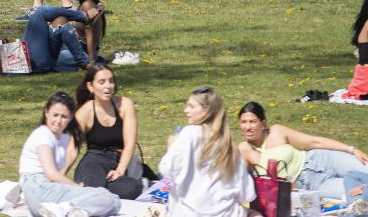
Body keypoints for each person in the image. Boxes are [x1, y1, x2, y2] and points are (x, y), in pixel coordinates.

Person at [237, 101, 368, 202]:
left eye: (252, 121)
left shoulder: (276, 131)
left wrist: (352, 149)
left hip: (319, 159)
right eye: (243, 122)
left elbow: (315, 141)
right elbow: (240, 183)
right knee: (359, 194)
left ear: (263, 122)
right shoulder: (244, 150)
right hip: (310, 184)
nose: (248, 127)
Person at [158, 87, 258, 217]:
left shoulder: (189, 133)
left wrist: (171, 147)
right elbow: (247, 194)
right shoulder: (228, 143)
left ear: (206, 110)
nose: (186, 110)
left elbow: (167, 170)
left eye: (191, 107)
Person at [18, 92, 121, 217]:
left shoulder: (64, 137)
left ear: (71, 117)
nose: (58, 121)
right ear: (46, 113)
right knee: (105, 197)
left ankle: (73, 211)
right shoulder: (43, 134)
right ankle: (65, 209)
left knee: (113, 200)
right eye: (55, 115)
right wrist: (77, 188)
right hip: (38, 188)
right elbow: (52, 174)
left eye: (64, 116)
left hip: (48, 190)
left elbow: (55, 177)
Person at [72, 64, 142, 200]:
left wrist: (120, 170)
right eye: (101, 82)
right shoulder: (85, 112)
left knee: (132, 188)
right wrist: (59, 174)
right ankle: (90, 191)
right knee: (95, 185)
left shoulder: (125, 104)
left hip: (118, 161)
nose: (108, 86)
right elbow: (71, 147)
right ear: (90, 86)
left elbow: (130, 143)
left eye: (111, 81)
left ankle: (86, 190)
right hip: (94, 162)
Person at [22, 5, 102, 73]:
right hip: (29, 61)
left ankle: (84, 62)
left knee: (60, 21)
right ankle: (84, 16)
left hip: (36, 58)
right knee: (39, 11)